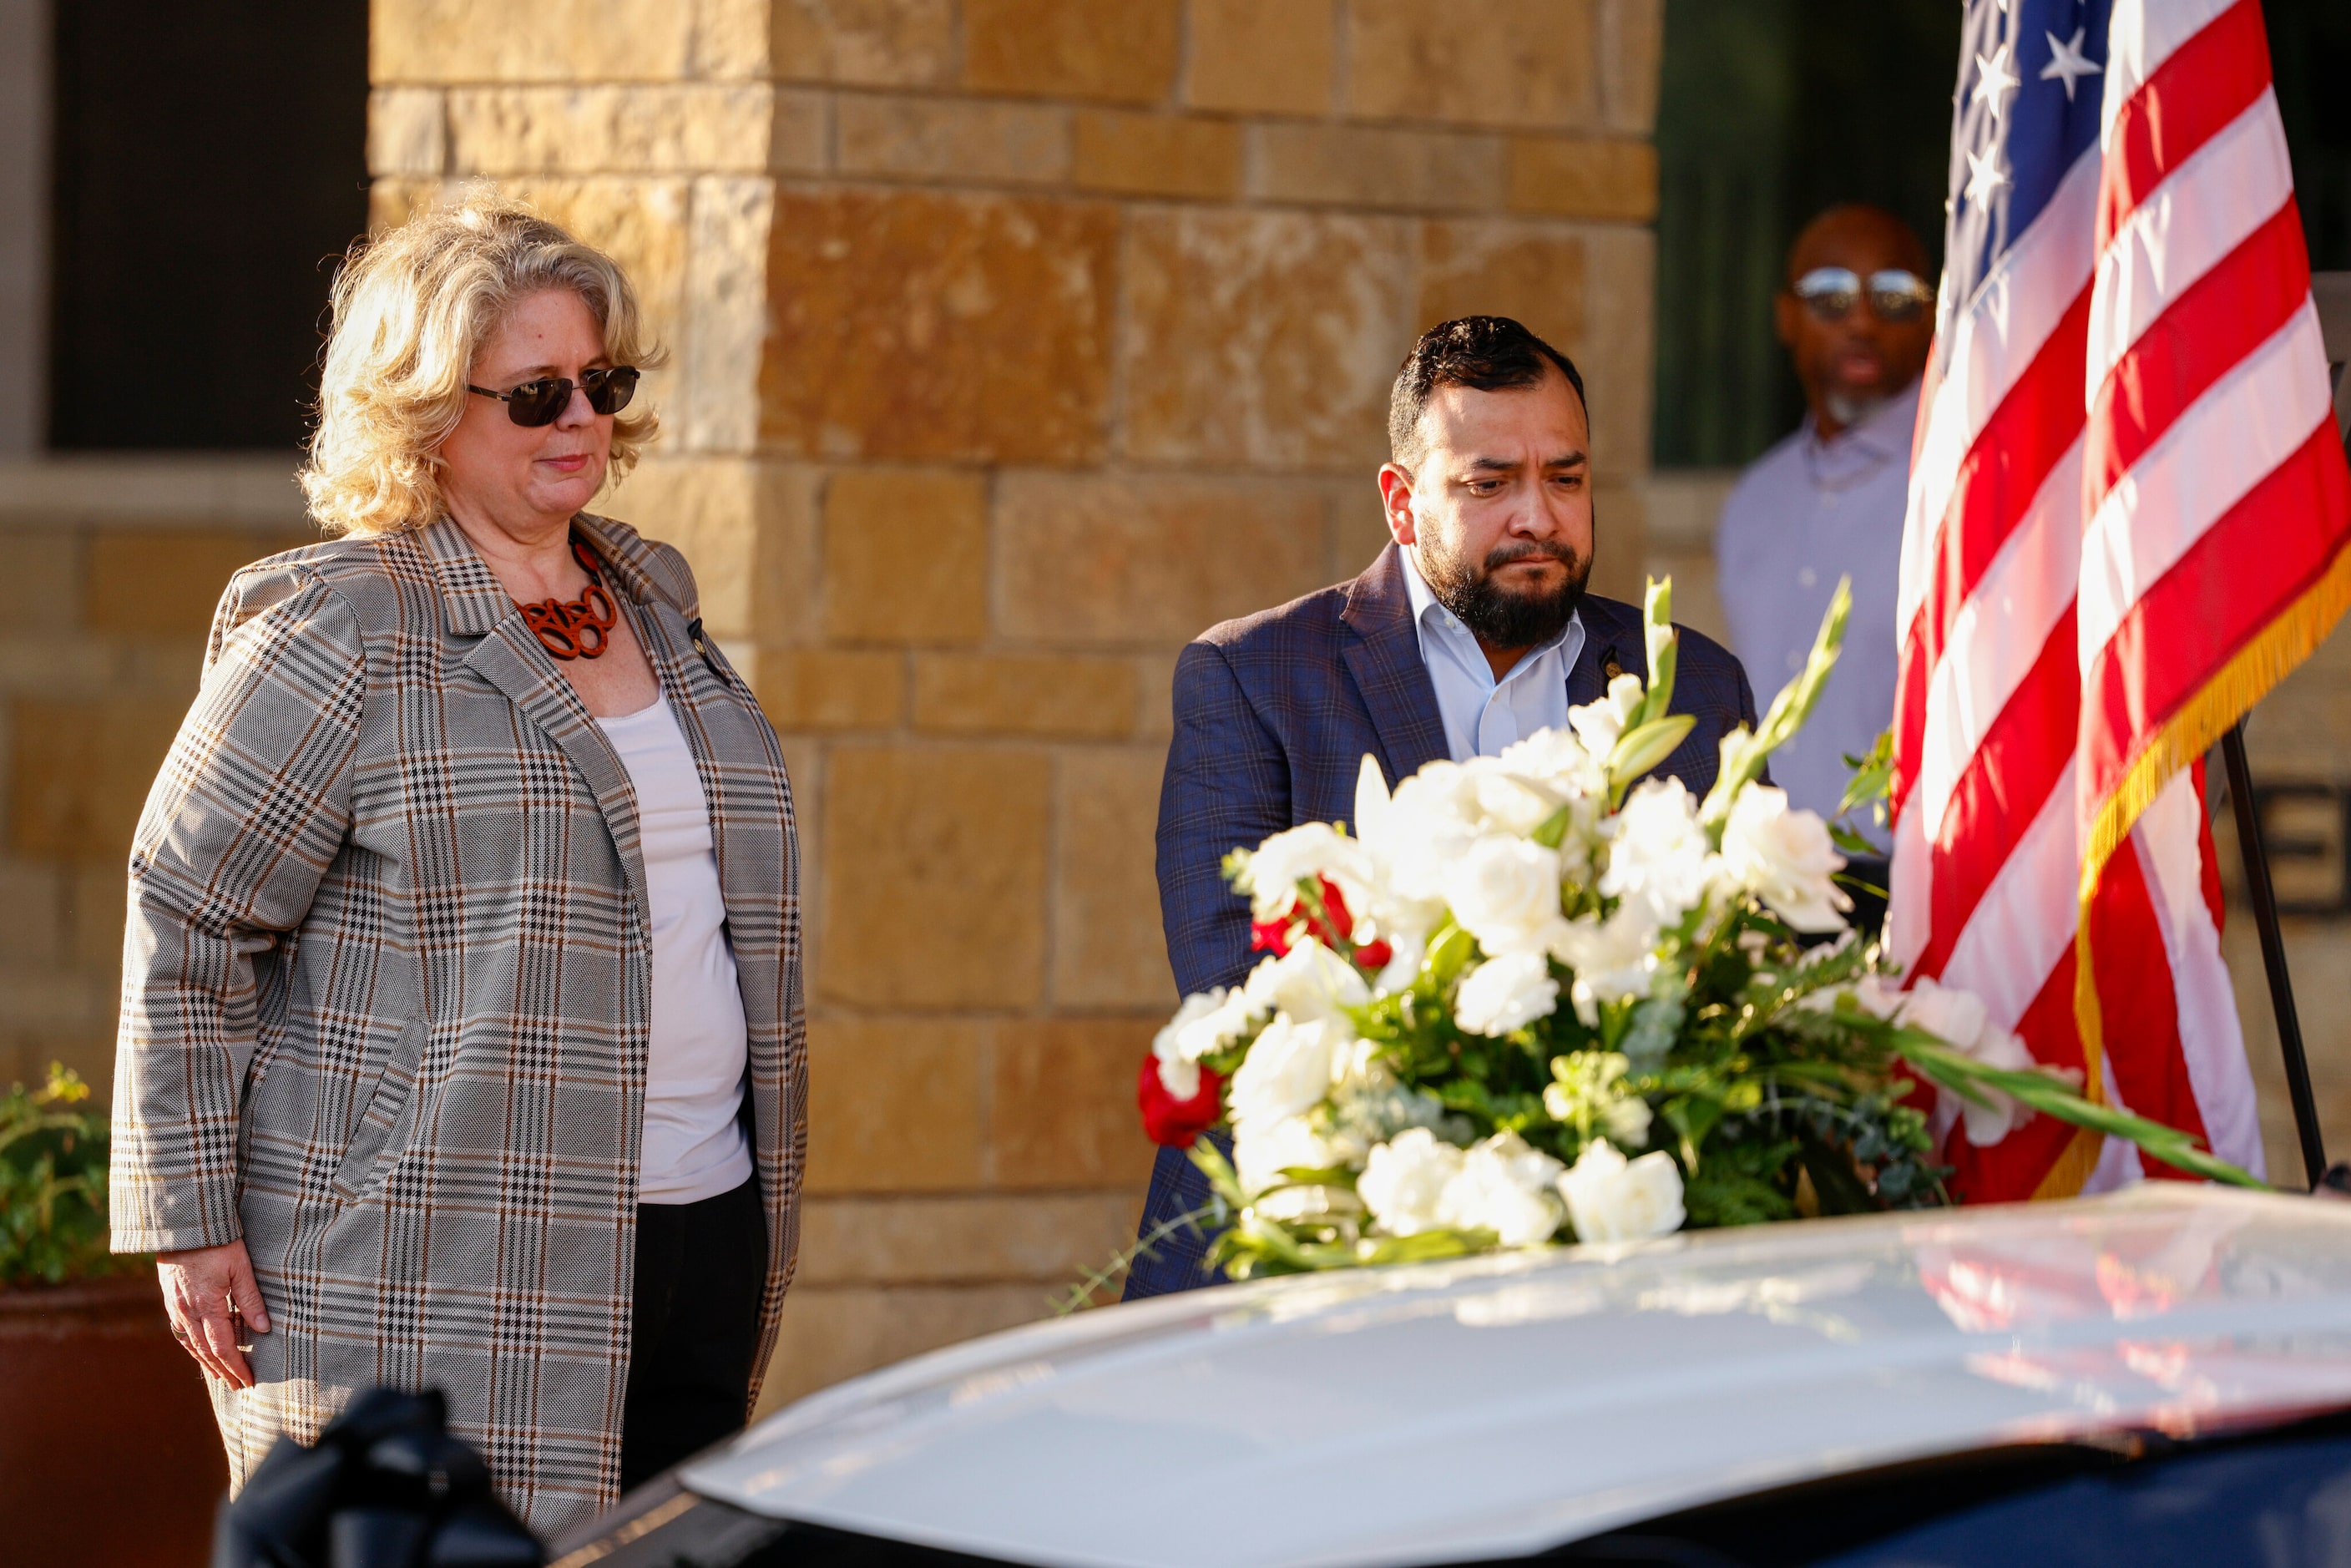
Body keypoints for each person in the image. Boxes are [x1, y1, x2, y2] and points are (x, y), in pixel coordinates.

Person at [109, 197, 806, 1535]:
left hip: (699, 1221)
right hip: (428, 1249)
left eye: (602, 384)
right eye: (537, 393)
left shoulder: (656, 600)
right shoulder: (341, 625)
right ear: (426, 409)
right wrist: (189, 1220)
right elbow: (189, 918)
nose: (584, 421)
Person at [1125, 316, 1762, 1300]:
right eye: (1487, 482)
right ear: (1399, 499)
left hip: (1620, 1277)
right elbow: (1232, 995)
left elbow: (1749, 964)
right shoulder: (1252, 679)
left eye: (1564, 476)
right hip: (1303, 1270)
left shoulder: (1692, 683)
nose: (1537, 517)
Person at [1713, 204, 1934, 821]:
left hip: (1917, 884)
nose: (1862, 320)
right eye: (1831, 295)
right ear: (1787, 316)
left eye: (1892, 295)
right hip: (1763, 880)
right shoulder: (1754, 500)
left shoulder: (1961, 486)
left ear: (1931, 315)